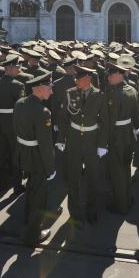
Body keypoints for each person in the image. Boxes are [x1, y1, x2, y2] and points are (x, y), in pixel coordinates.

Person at [57, 65, 108, 226]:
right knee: (73, 177)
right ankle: (74, 212)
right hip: (74, 139)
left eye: (78, 79)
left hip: (92, 140)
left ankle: (91, 210)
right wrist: (61, 138)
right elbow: (64, 118)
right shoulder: (70, 93)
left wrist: (102, 144)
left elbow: (105, 122)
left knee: (93, 177)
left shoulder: (100, 95)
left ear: (88, 79)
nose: (76, 81)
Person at [13, 70, 55, 246]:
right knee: (39, 195)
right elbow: (45, 144)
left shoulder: (20, 103)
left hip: (24, 153)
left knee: (31, 188)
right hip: (37, 157)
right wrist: (51, 168)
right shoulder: (43, 112)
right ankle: (33, 234)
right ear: (39, 89)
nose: (51, 91)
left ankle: (28, 219)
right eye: (49, 88)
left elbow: (15, 129)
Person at [104, 62, 139, 215]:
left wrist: (104, 140)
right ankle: (127, 197)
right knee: (125, 168)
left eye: (110, 76)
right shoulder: (132, 89)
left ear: (118, 75)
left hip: (117, 135)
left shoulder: (113, 94)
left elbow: (109, 120)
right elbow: (136, 113)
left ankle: (121, 205)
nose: (108, 79)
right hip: (128, 133)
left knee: (117, 171)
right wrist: (136, 128)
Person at [0, 54, 25, 193]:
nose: (19, 69)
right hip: (13, 123)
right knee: (16, 155)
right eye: (18, 66)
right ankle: (17, 185)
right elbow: (21, 107)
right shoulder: (18, 85)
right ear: (10, 67)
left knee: (0, 154)